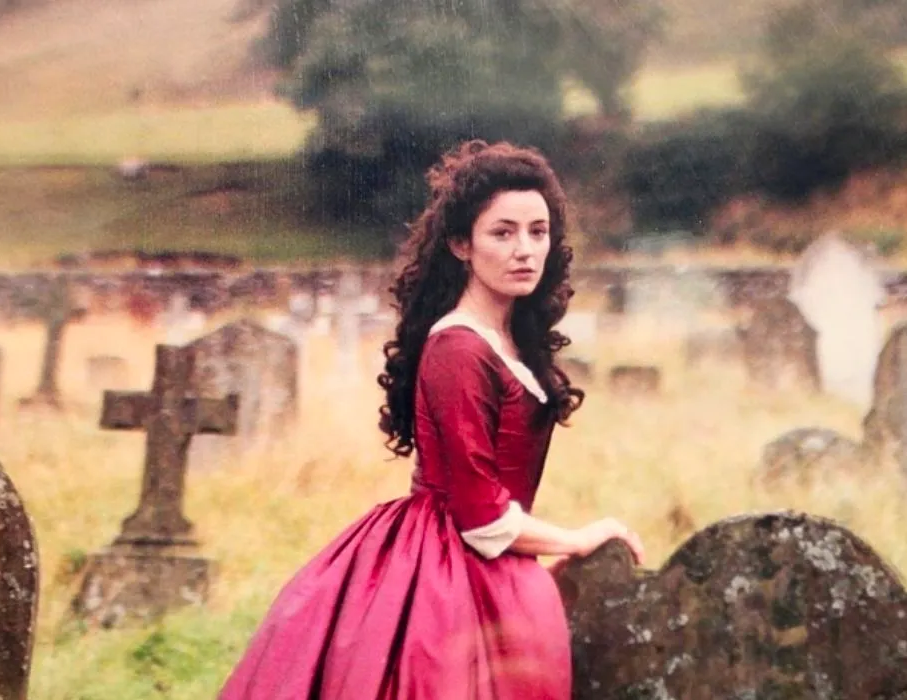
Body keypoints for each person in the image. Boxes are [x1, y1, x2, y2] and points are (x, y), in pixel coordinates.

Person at [219, 140, 646, 700]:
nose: (525, 250)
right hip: (443, 573)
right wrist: (579, 539)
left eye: (537, 232)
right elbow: (481, 516)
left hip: (482, 565)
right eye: (503, 232)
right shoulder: (459, 348)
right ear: (460, 244)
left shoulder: (507, 340)